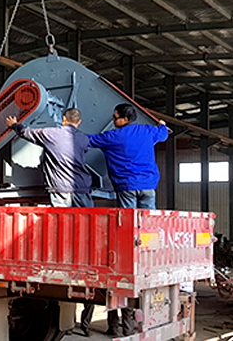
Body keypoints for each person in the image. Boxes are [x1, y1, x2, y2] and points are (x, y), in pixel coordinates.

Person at [88, 103, 169, 336]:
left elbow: (89, 141)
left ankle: (129, 257)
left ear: (123, 119)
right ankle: (148, 257)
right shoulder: (147, 131)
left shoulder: (112, 136)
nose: (113, 120)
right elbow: (163, 133)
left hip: (127, 186)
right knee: (148, 225)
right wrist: (162, 124)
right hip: (148, 185)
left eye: (115, 117)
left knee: (128, 226)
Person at [5, 108, 93, 208]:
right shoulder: (84, 139)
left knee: (62, 217)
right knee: (86, 217)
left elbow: (27, 133)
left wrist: (14, 125)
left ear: (64, 118)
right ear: (79, 122)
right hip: (82, 186)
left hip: (61, 188)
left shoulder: (50, 134)